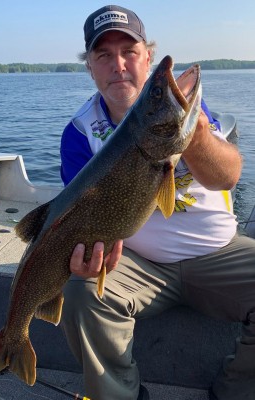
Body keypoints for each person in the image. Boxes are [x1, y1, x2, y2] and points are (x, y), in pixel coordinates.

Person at [59, 5, 255, 400]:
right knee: (81, 293)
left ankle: (237, 391)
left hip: (218, 253)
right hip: (136, 265)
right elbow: (75, 219)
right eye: (104, 55)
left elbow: (228, 175)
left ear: (147, 57)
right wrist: (80, 258)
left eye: (129, 52)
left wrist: (195, 135)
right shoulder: (80, 133)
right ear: (90, 69)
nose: (118, 65)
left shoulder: (184, 109)